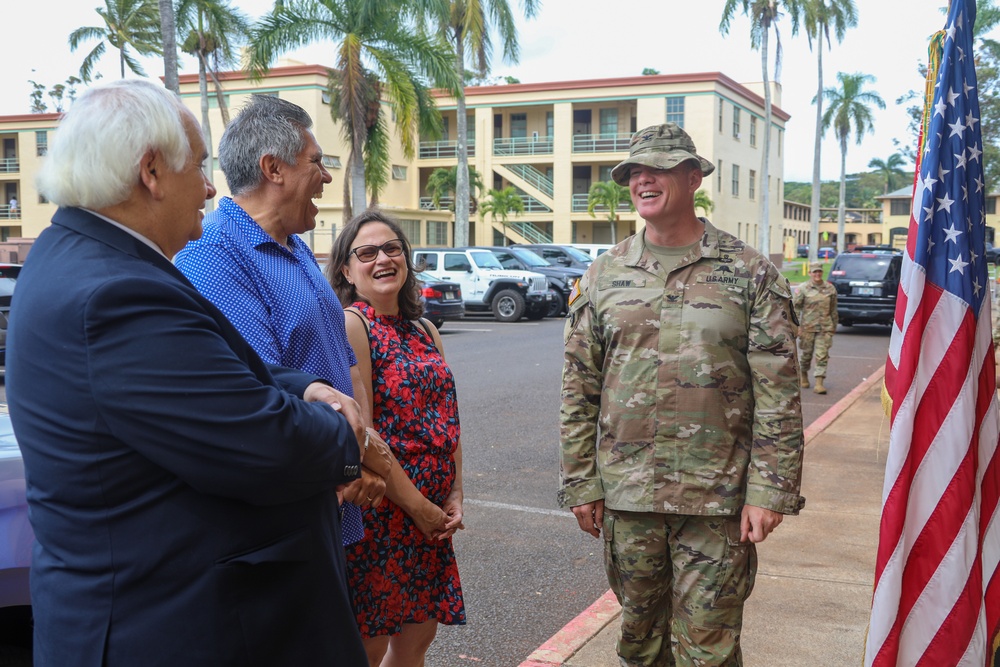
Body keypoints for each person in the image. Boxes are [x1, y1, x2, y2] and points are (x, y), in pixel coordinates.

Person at [6, 79, 374, 666]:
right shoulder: (113, 294)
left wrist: (303, 386)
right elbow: (261, 443)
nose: (209, 187)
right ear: (151, 171)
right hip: (179, 626)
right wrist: (344, 432)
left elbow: (218, 374)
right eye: (200, 168)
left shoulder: (97, 262)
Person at [559, 123, 806, 666]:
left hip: (715, 501)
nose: (643, 180)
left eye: (660, 169)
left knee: (708, 653)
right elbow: (580, 388)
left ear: (694, 178)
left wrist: (770, 490)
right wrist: (582, 482)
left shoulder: (749, 272)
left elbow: (779, 393)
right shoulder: (604, 275)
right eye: (634, 173)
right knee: (640, 645)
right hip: (629, 500)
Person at [175, 94, 413, 543]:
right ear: (274, 169)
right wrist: (349, 465)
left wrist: (361, 455)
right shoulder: (216, 256)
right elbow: (262, 395)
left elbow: (345, 368)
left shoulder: (295, 246)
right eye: (316, 162)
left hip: (333, 504)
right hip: (286, 525)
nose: (325, 177)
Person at [328, 210, 466, 666]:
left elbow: (449, 416)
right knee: (371, 643)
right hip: (385, 511)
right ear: (347, 270)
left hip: (429, 511)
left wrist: (455, 493)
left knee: (418, 636)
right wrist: (419, 507)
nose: (383, 259)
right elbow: (364, 436)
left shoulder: (424, 329)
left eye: (392, 248)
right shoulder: (355, 325)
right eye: (366, 253)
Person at [793, 261, 838, 394]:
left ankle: (819, 382)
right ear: (810, 273)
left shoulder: (830, 289)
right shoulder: (803, 289)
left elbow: (834, 309)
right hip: (808, 328)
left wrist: (834, 325)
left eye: (819, 271)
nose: (817, 274)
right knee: (806, 355)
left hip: (825, 327)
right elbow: (796, 309)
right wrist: (797, 327)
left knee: (822, 355)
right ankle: (804, 374)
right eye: (814, 272)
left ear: (822, 273)